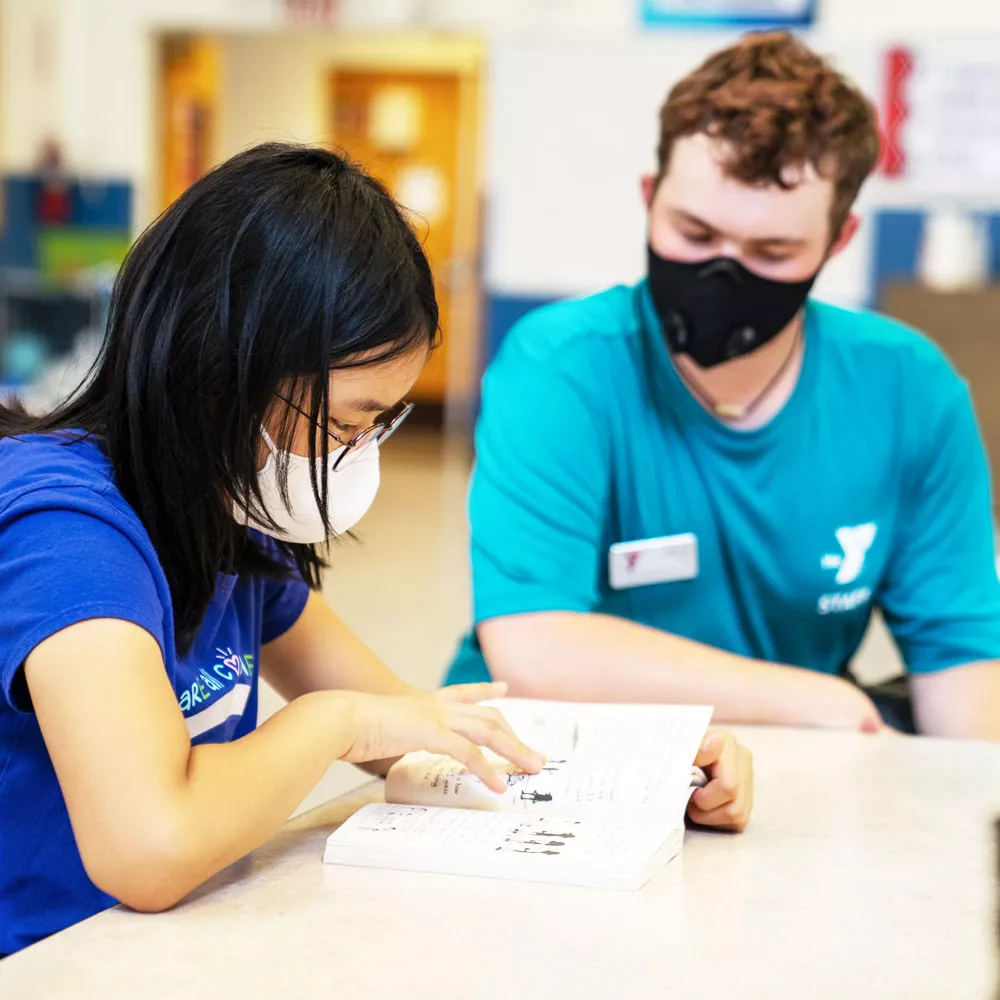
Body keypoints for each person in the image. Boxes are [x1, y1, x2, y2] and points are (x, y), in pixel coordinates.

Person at [0, 144, 751, 957]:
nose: (354, 456)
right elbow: (149, 848)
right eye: (346, 423)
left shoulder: (226, 509)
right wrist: (334, 722)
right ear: (221, 371)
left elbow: (418, 726)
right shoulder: (70, 533)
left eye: (378, 425)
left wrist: (644, 773)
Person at [446, 33, 1000, 741]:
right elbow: (536, 650)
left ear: (839, 238)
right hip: (553, 756)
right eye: (695, 232)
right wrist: (821, 700)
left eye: (772, 252)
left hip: (792, 768)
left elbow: (963, 669)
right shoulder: (562, 367)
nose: (723, 274)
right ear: (650, 199)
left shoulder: (908, 390)